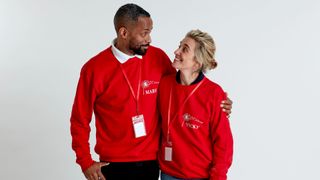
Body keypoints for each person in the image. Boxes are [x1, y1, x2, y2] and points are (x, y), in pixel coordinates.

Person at [70, 4, 233, 180]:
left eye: (150, 32)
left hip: (153, 164)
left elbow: (185, 89)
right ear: (124, 33)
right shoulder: (94, 69)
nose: (149, 39)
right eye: (144, 33)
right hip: (113, 165)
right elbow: (79, 119)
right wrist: (85, 162)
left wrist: (219, 104)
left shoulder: (158, 58)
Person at [158, 30, 233, 180]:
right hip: (168, 173)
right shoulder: (165, 84)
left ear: (197, 62)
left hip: (200, 176)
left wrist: (218, 176)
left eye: (184, 49)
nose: (176, 51)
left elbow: (223, 143)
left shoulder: (214, 93)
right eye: (179, 46)